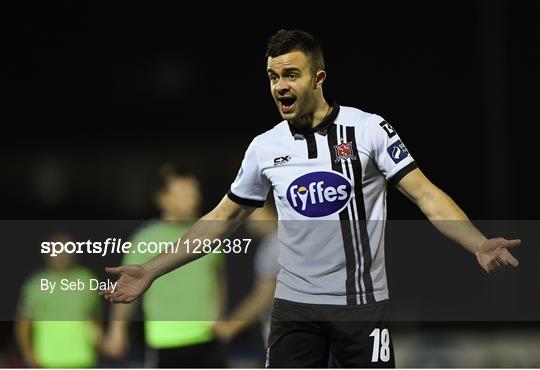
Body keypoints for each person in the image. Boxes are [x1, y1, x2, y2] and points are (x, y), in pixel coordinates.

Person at [101, 30, 521, 368]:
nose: (279, 86)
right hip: (294, 309)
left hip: (362, 306)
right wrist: (152, 271)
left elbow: (426, 194)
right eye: (272, 77)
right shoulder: (264, 147)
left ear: (318, 78)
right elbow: (221, 218)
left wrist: (477, 242)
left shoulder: (369, 130)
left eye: (290, 75)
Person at [103, 165, 228, 368]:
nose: (193, 197)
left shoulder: (208, 236)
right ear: (163, 199)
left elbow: (218, 279)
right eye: (184, 192)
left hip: (208, 341)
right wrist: (116, 331)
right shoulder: (145, 238)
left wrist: (220, 315)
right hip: (166, 343)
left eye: (194, 191)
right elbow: (126, 285)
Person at [15, 233, 102, 368]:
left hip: (83, 358)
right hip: (48, 359)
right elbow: (24, 323)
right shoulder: (35, 285)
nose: (62, 255)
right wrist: (28, 354)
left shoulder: (86, 279)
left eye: (67, 250)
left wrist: (102, 343)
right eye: (57, 250)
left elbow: (94, 318)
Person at [213, 203, 279, 346]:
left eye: (251, 213)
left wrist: (231, 327)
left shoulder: (273, 245)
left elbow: (264, 294)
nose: (248, 222)